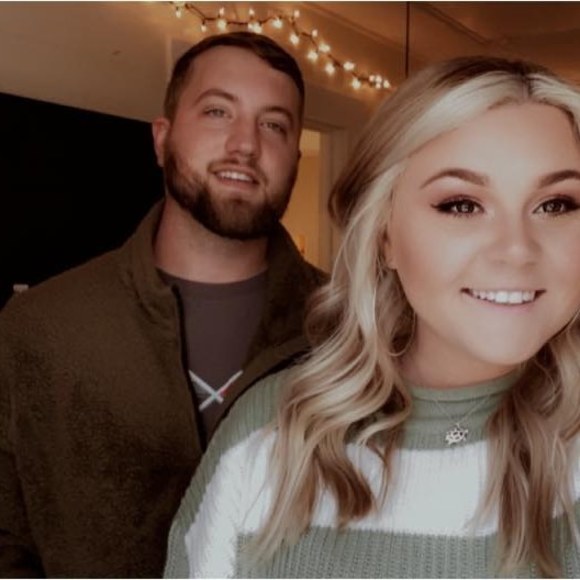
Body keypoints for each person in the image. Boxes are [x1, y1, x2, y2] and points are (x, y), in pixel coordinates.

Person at [164, 55, 580, 579]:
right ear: (385, 235)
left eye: (556, 204)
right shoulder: (269, 435)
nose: (517, 250)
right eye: (461, 205)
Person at [0, 32, 325, 577]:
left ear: (293, 157)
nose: (245, 144)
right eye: (218, 112)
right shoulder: (42, 327)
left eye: (273, 124)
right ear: (162, 138)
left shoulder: (348, 328)